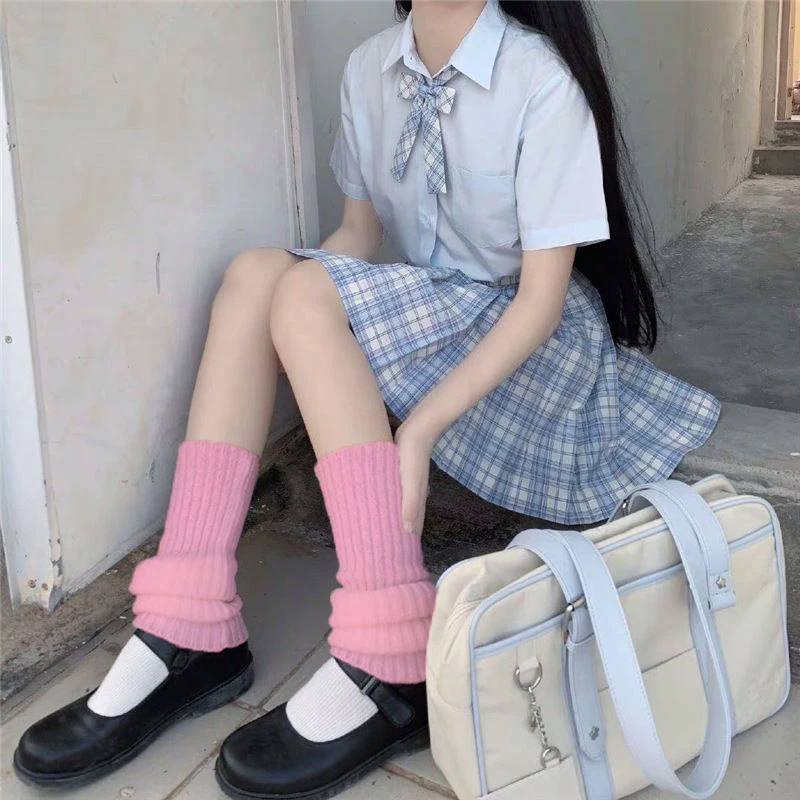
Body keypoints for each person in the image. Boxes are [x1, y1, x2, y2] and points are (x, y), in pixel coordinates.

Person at [14, 1, 720, 798]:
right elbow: (358, 234)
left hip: (533, 353)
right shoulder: (369, 69)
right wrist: (291, 306)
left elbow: (539, 304)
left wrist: (416, 431)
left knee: (299, 292)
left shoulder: (540, 81)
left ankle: (391, 642)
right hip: (441, 314)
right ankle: (187, 620)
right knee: (255, 275)